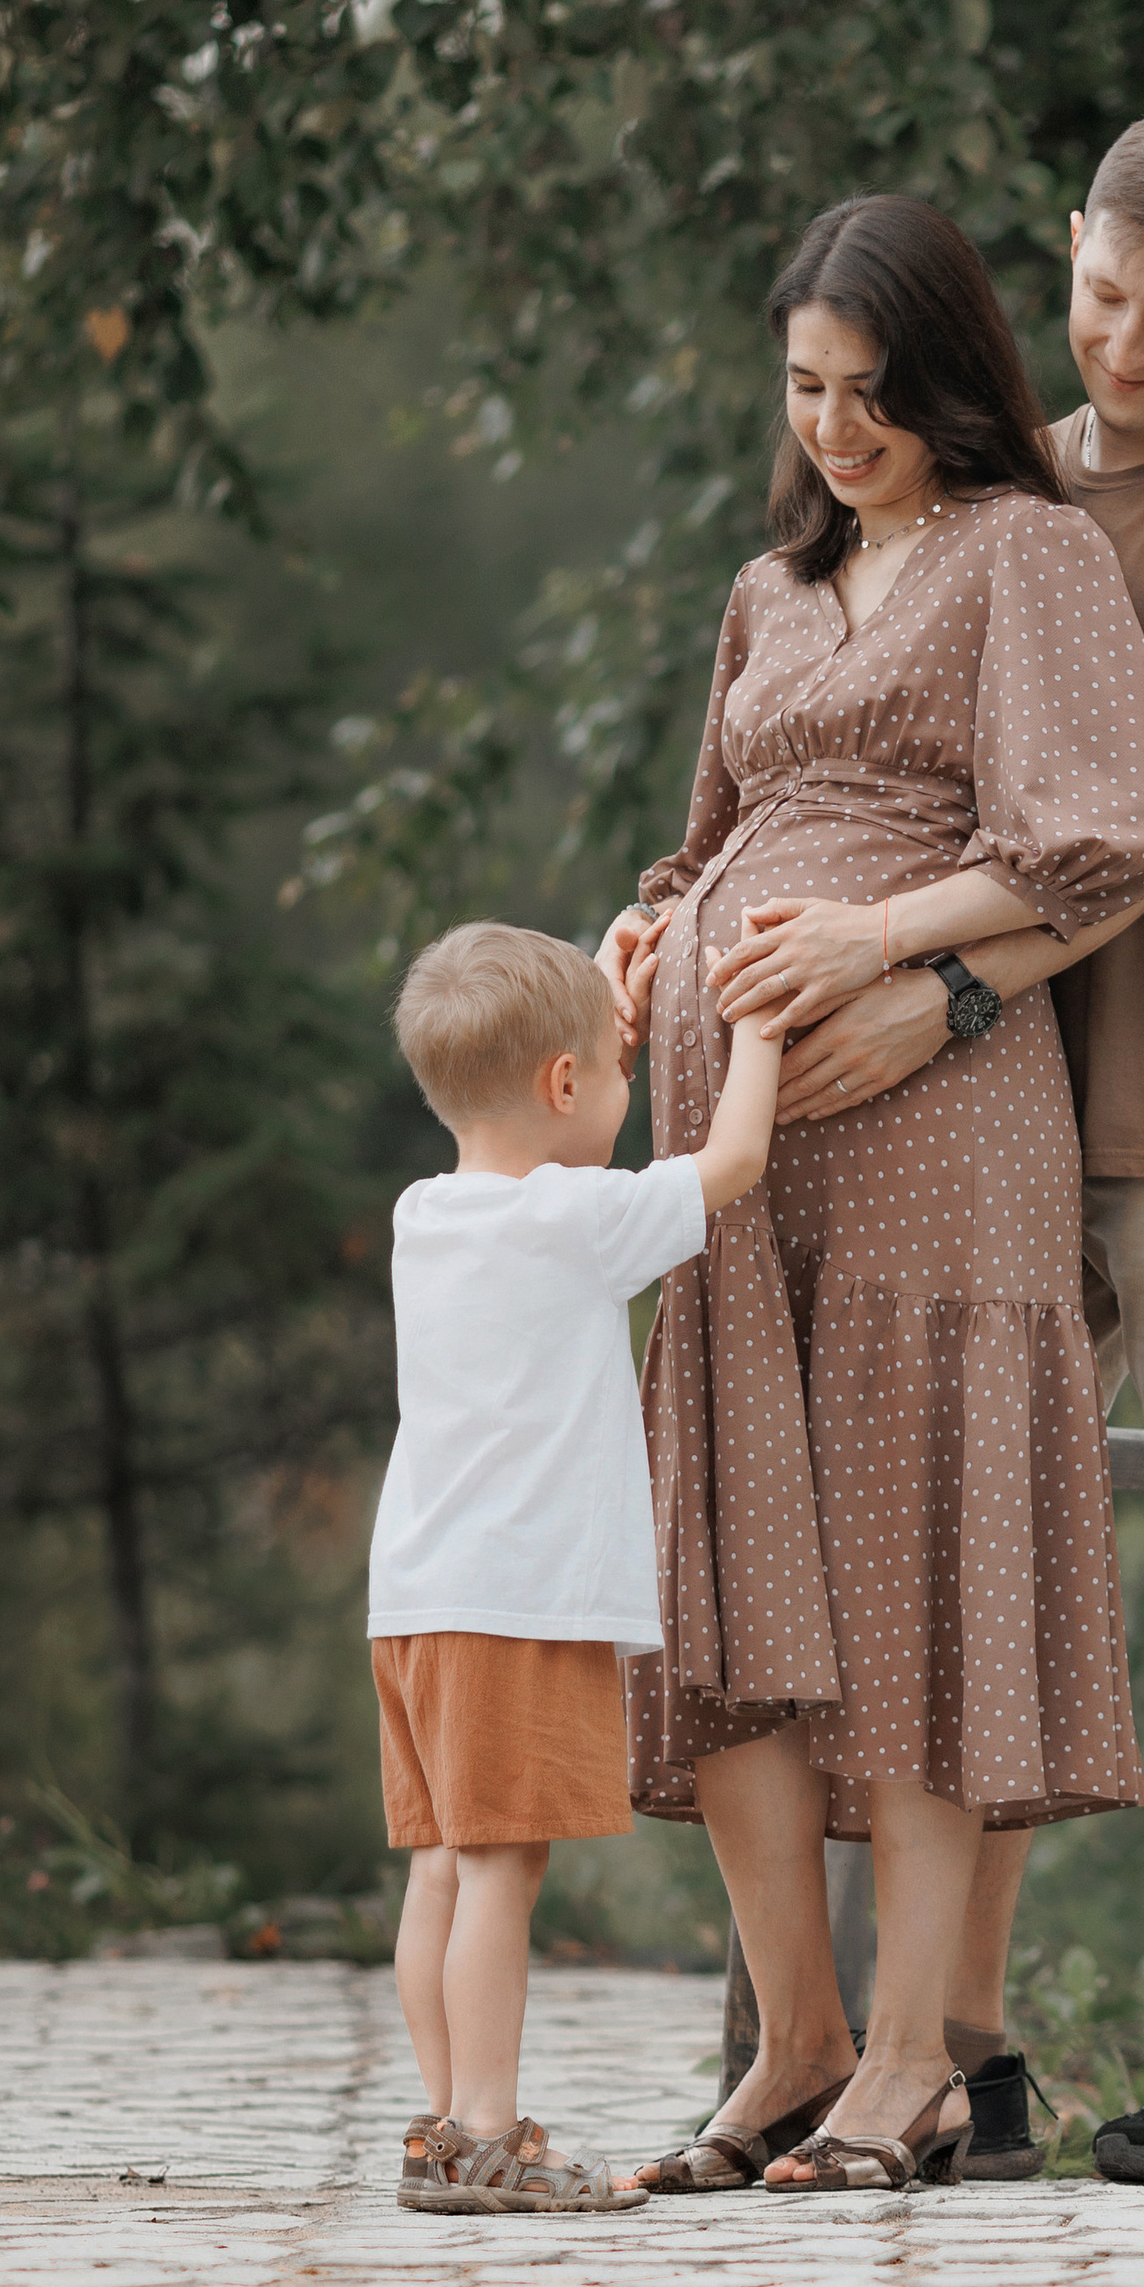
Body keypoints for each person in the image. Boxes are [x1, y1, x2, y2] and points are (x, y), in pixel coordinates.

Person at [762, 111, 1144, 2185]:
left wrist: (924, 984)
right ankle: (960, 2053)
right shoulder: (1009, 478)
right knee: (983, 1566)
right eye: (1098, 295)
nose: (1121, 342)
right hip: (987, 1124)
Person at [599, 193, 1144, 2198]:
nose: (832, 428)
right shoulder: (772, 591)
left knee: (916, 1573)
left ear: (946, 383)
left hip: (937, 1126)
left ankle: (918, 2058)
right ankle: (795, 2039)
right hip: (736, 1160)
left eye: (867, 392)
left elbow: (1098, 837)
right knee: (739, 1575)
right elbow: (710, 846)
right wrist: (644, 931)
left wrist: (867, 946)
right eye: (802, 389)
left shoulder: (1032, 556)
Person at [369, 919, 781, 2214]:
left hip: (418, 1603)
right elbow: (736, 1160)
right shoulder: (574, 1218)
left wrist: (601, 998)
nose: (626, 1085)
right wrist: (761, 1025)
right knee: (505, 1867)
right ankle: (492, 2131)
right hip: (519, 1607)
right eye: (619, 1065)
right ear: (563, 1085)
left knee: (441, 1862)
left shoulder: (425, 1215)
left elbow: (538, 1084)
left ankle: (444, 2126)